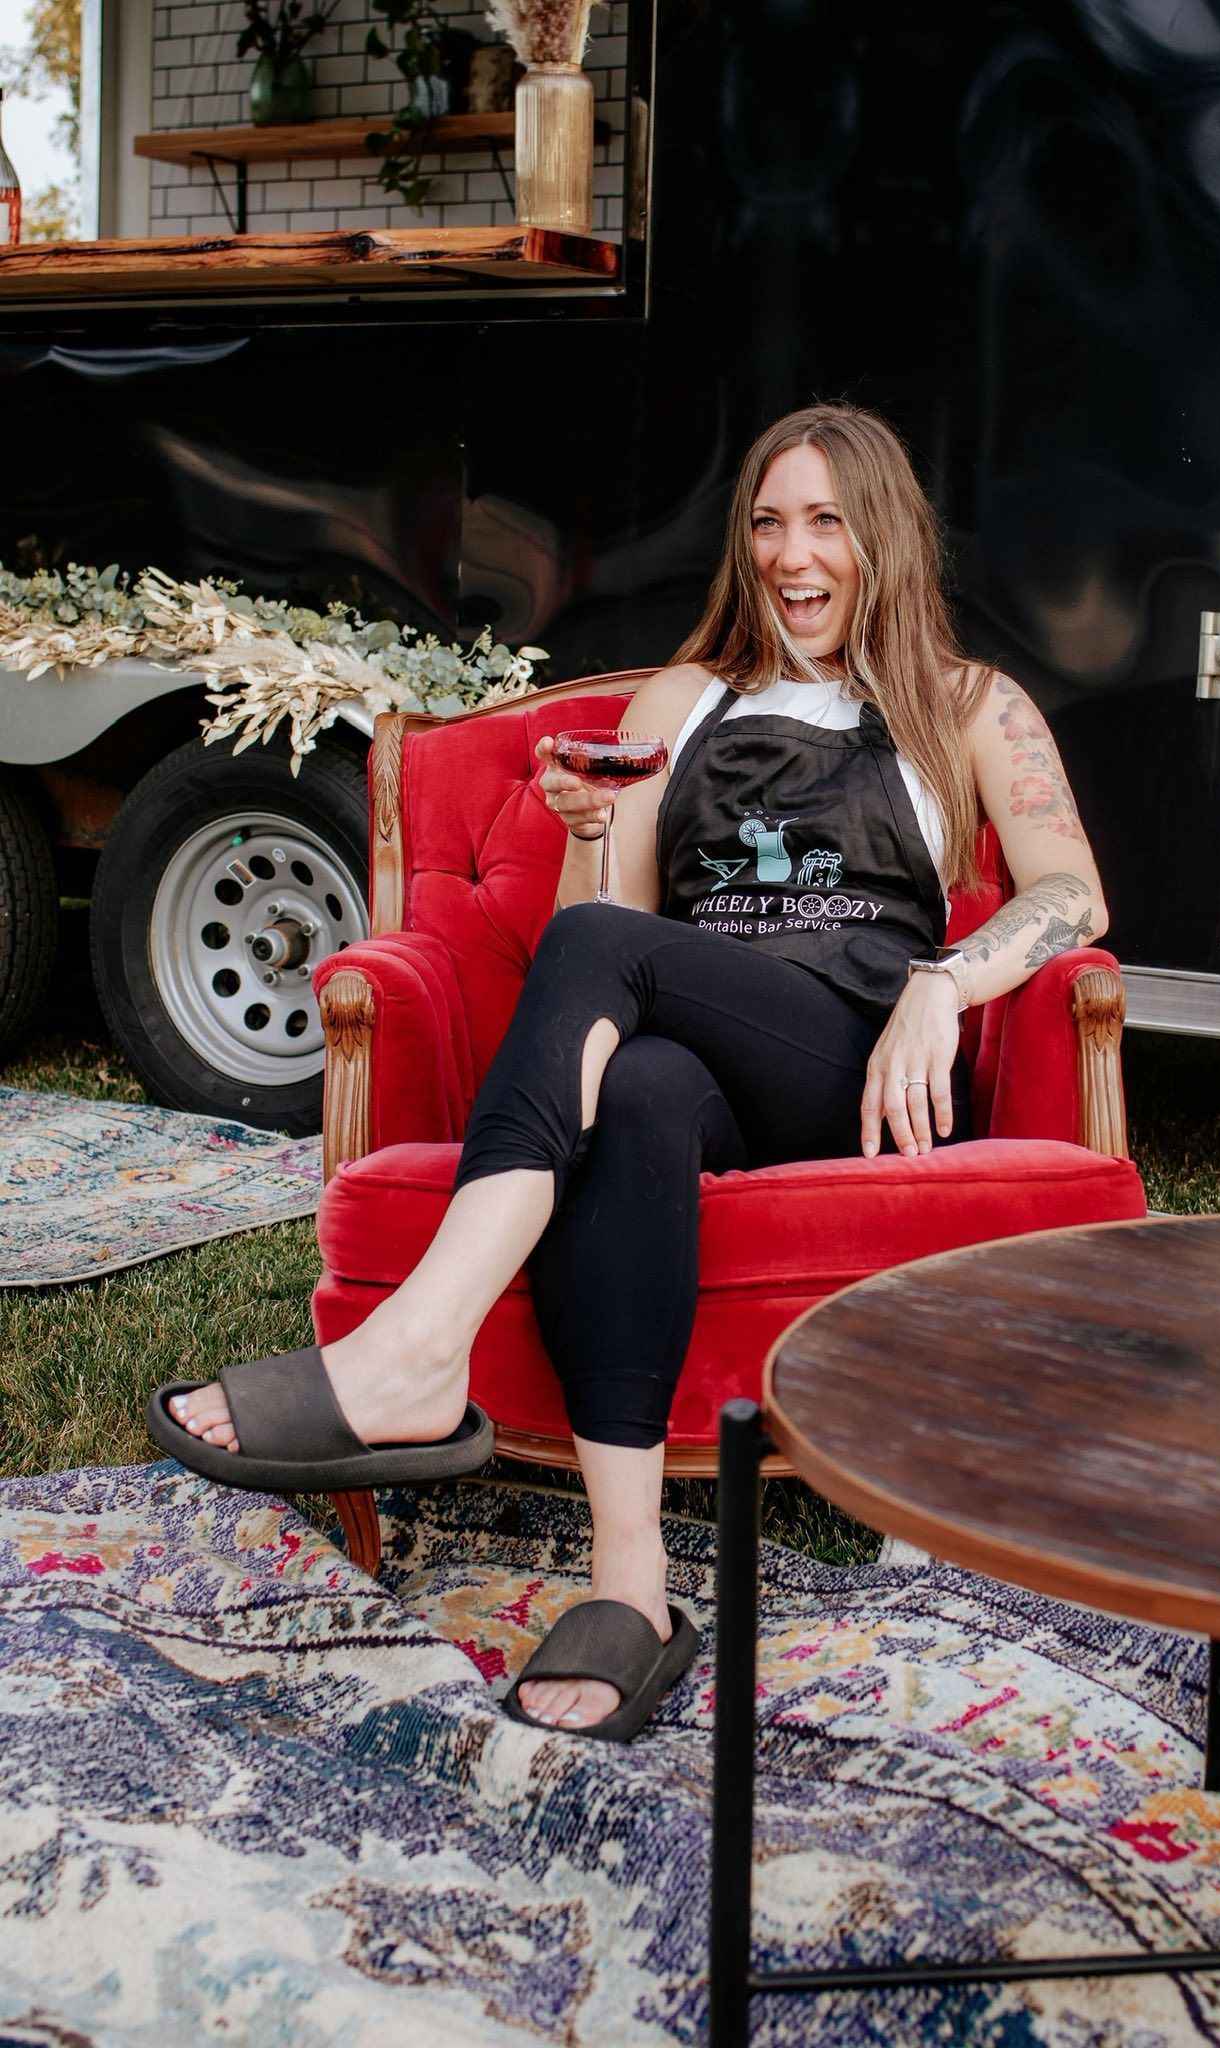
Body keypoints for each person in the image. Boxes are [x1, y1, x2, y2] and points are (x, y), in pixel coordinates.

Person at [149, 402, 1107, 1740]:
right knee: (641, 1092)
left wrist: (944, 984)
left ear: (880, 537)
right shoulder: (681, 701)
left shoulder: (962, 702)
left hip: (850, 1054)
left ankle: (417, 1350)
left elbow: (1073, 891)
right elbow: (595, 945)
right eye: (767, 521)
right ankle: (631, 1586)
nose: (791, 553)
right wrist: (592, 836)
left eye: (826, 520)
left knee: (628, 982)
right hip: (701, 1054)